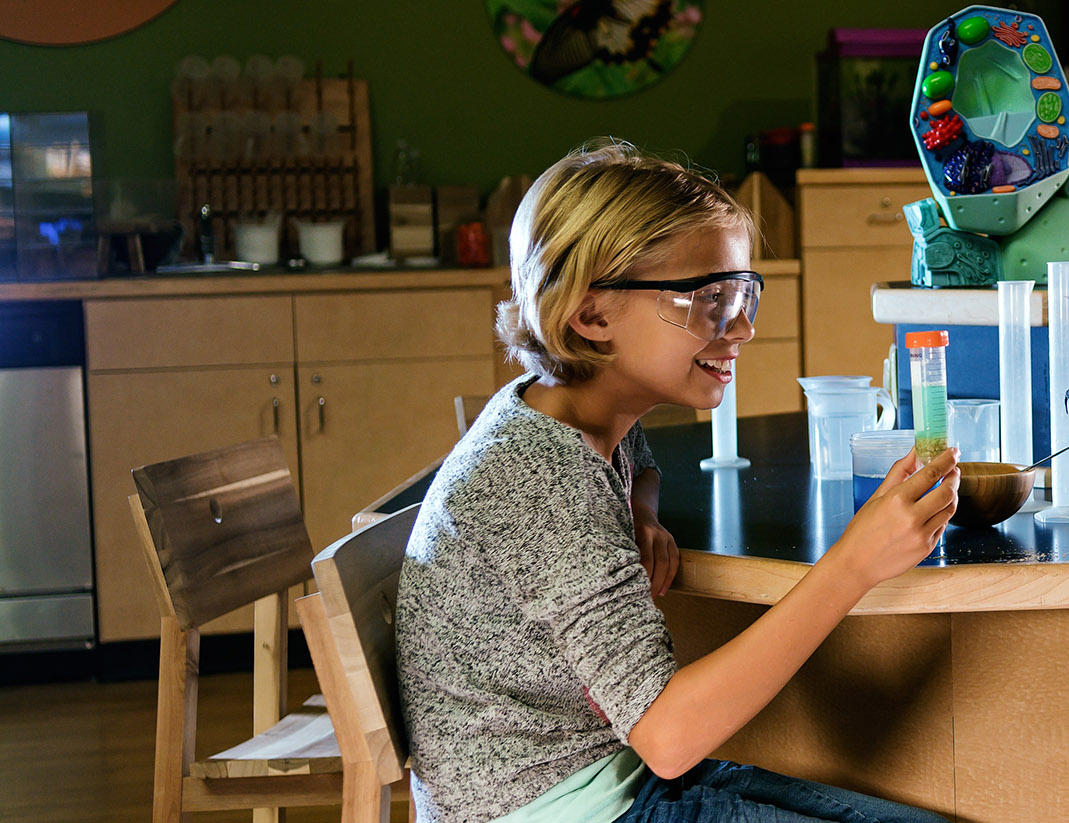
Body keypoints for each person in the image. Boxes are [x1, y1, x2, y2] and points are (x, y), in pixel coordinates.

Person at [397, 139, 959, 823]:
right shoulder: (542, 484)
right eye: (709, 298)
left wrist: (641, 508)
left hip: (606, 777)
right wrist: (855, 562)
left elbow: (641, 456)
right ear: (594, 314)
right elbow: (668, 736)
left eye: (744, 292)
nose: (743, 327)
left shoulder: (562, 410)